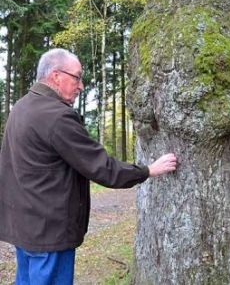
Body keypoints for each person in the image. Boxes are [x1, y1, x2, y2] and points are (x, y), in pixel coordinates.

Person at [0, 48, 177, 285]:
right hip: (49, 232)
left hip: (25, 228)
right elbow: (101, 167)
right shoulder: (56, 116)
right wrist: (148, 170)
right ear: (56, 75)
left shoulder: (22, 107)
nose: (81, 85)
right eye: (77, 77)